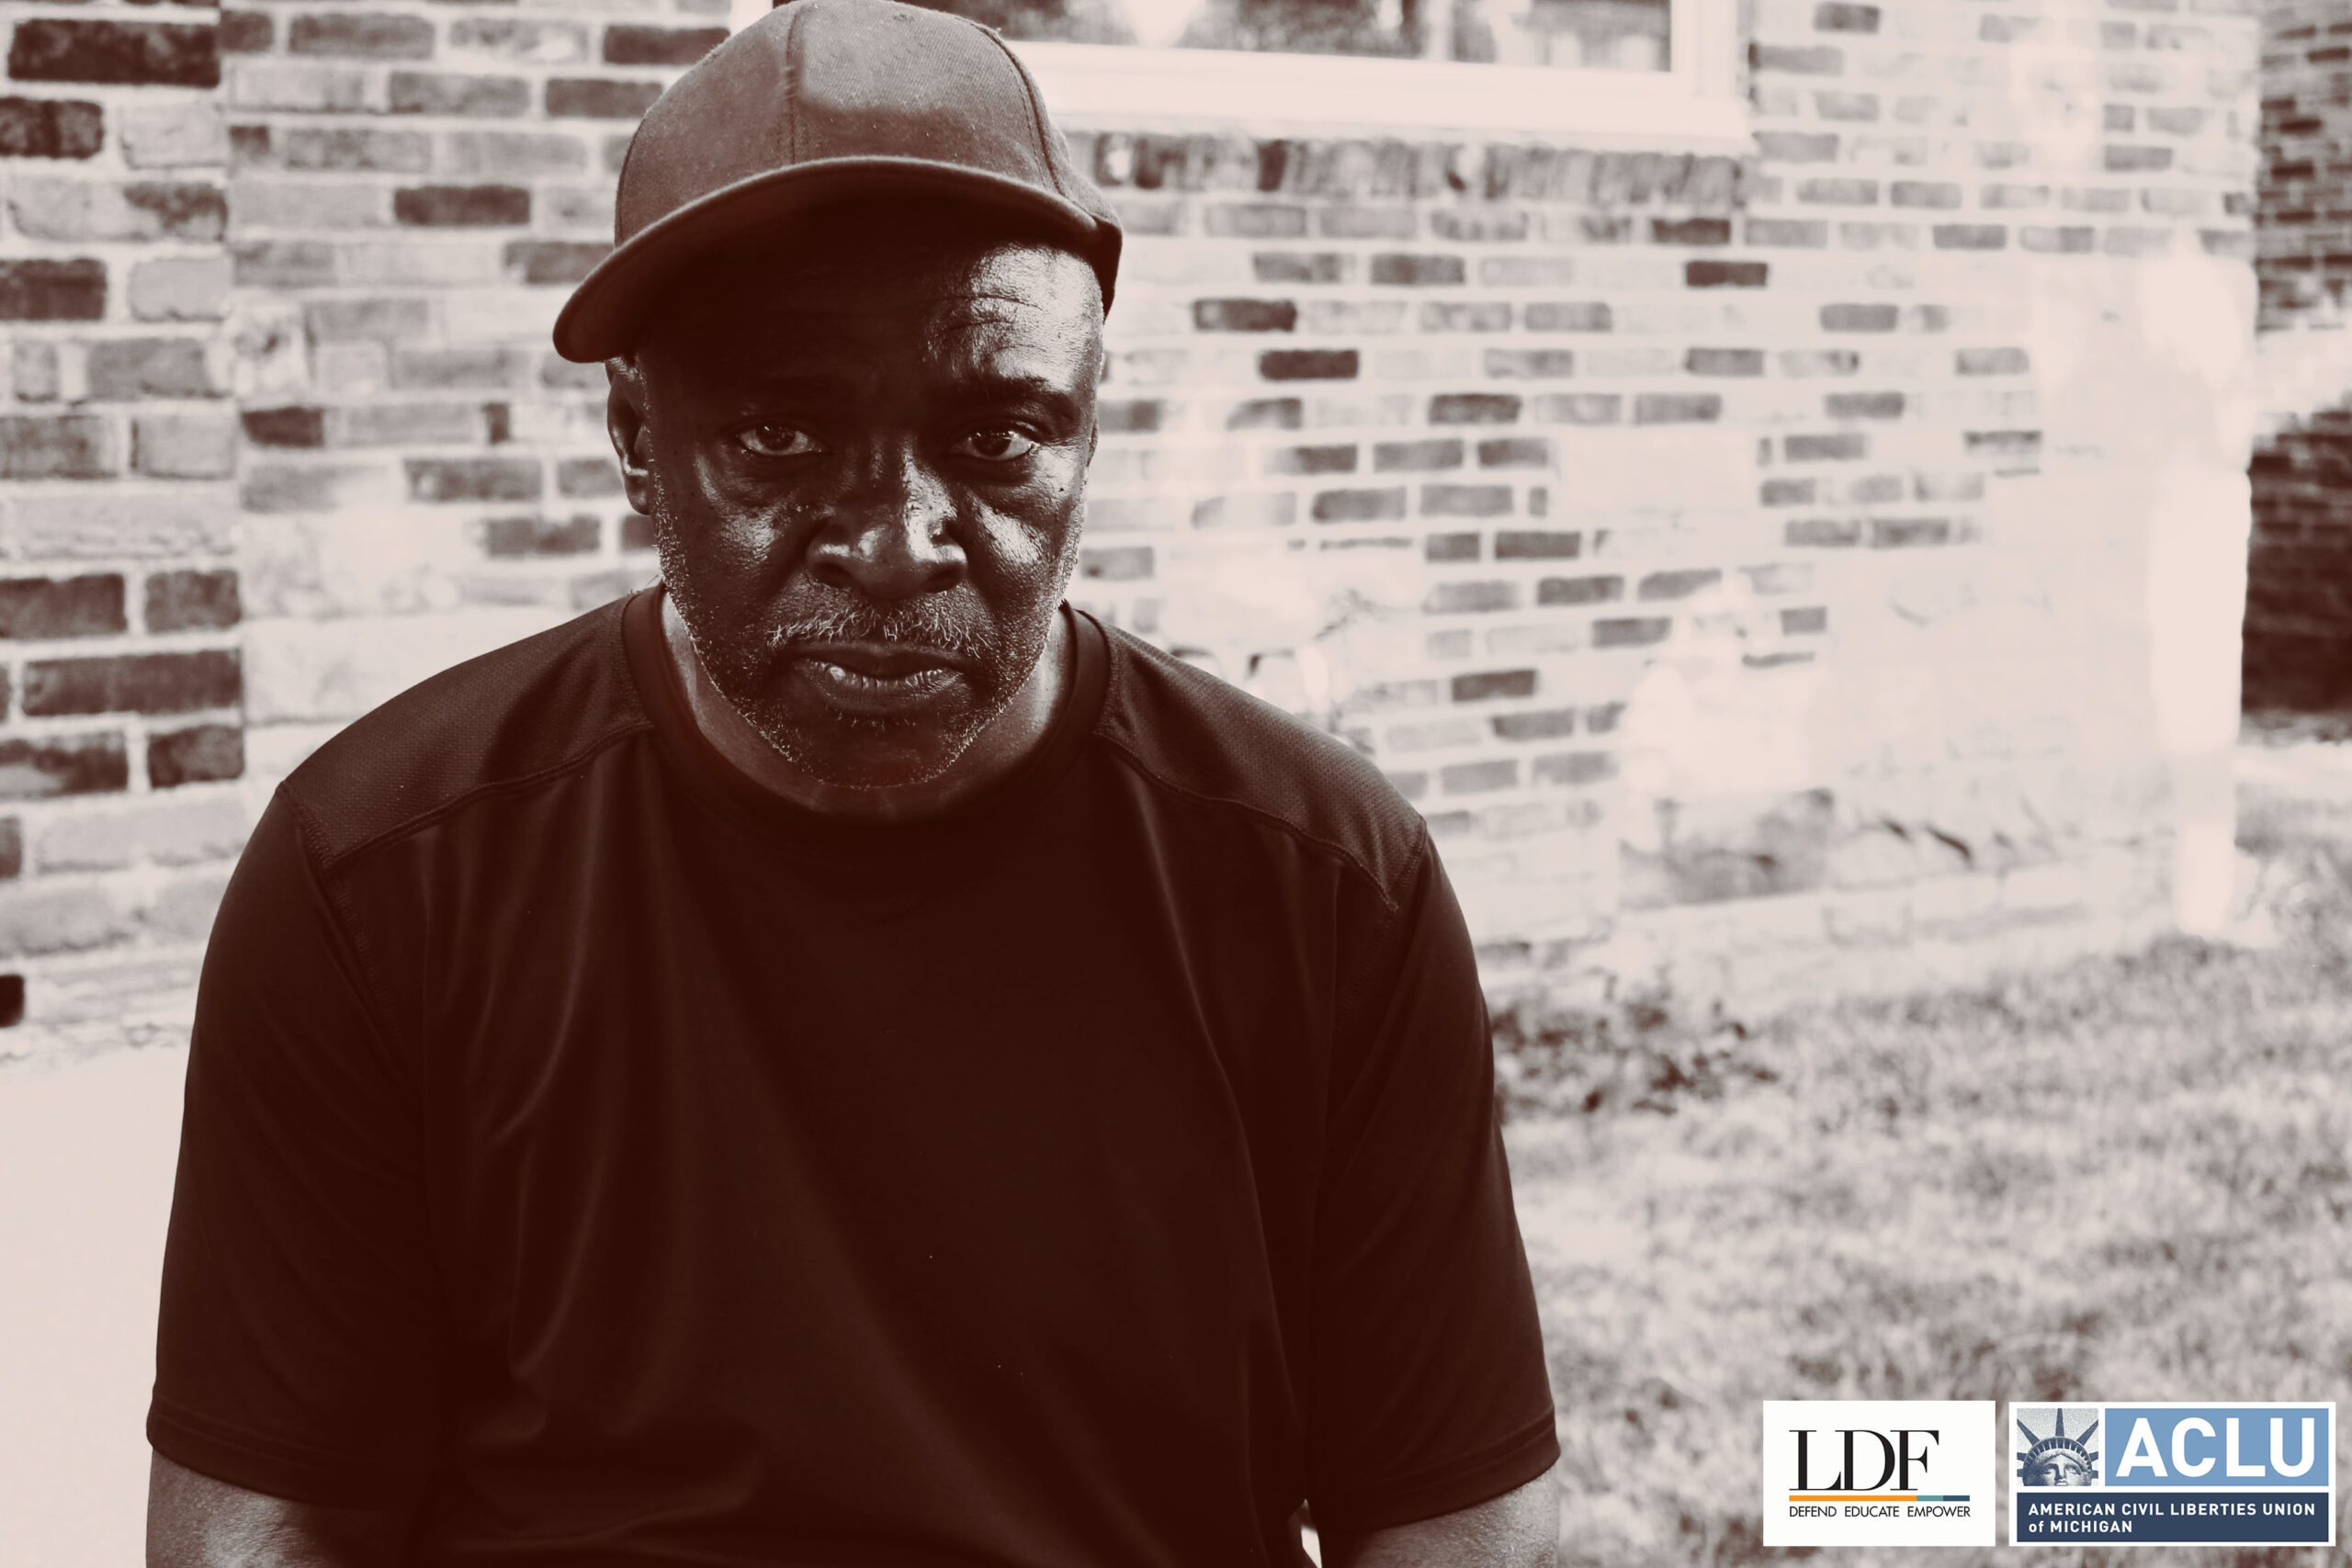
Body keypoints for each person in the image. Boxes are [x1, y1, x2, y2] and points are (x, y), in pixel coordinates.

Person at [144, 2, 1562, 1562]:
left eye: (1000, 434)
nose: (898, 545)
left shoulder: (1323, 886)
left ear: (1087, 432)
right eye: (780, 431)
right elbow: (262, 1531)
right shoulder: (381, 877)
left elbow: (1446, 1519)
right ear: (636, 439)